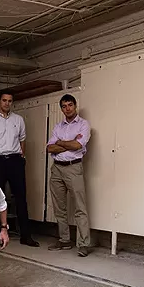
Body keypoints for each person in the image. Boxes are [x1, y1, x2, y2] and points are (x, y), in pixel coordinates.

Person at [0, 89, 40, 248]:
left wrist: (22, 157)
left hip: (15, 160)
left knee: (21, 198)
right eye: (4, 100)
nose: (7, 103)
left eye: (9, 101)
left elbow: (22, 140)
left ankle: (26, 236)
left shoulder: (19, 120)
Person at [46, 94, 92, 256]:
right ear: (61, 109)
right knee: (59, 207)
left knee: (80, 207)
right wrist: (69, 144)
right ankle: (64, 240)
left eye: (70, 105)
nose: (68, 108)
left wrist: (61, 143)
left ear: (75, 106)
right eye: (64, 106)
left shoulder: (83, 125)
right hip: (57, 168)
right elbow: (49, 148)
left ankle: (84, 243)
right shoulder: (58, 127)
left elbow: (78, 145)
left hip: (74, 168)